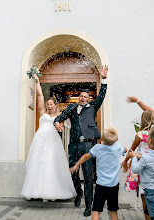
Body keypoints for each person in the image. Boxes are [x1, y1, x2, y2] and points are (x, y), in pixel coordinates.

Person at [54, 65, 108, 217]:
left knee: (88, 174)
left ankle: (88, 205)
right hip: (74, 144)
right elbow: (60, 117)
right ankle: (79, 192)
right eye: (81, 96)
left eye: (85, 96)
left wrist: (103, 79)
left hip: (88, 143)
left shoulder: (93, 106)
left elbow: (102, 94)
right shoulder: (71, 108)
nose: (83, 98)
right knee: (73, 171)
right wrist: (57, 122)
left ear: (89, 99)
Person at [21, 75, 76, 201]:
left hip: (53, 141)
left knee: (51, 163)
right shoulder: (42, 112)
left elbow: (61, 125)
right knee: (38, 163)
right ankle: (35, 191)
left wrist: (60, 127)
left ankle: (52, 192)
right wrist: (37, 81)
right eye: (48, 104)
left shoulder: (60, 115)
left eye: (51, 104)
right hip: (40, 140)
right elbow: (40, 96)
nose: (49, 106)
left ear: (56, 105)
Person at [70, 127, 126, 220]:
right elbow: (126, 149)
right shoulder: (118, 147)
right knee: (113, 212)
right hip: (113, 185)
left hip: (101, 185)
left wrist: (76, 165)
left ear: (102, 138)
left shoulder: (97, 148)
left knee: (96, 211)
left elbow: (85, 156)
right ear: (116, 139)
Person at [122, 110, 154, 220]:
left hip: (143, 168)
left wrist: (125, 161)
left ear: (143, 120)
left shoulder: (141, 134)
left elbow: (132, 149)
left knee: (144, 196)